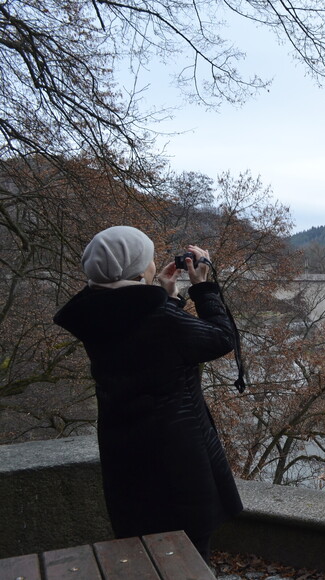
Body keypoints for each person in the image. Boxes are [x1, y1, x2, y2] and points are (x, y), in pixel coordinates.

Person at [53, 225, 243, 560]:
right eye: (149, 258)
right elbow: (222, 338)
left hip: (125, 453)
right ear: (138, 270)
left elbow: (150, 349)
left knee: (143, 550)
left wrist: (169, 297)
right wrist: (203, 287)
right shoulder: (158, 320)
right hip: (177, 456)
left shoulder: (96, 314)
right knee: (189, 553)